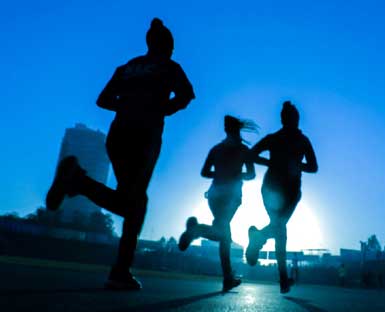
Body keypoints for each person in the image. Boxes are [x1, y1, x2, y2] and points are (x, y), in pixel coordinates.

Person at [45, 18, 195, 290]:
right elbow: (187, 96)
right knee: (135, 204)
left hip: (118, 135)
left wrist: (127, 106)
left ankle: (119, 267)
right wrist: (160, 109)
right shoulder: (169, 67)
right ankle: (80, 184)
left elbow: (102, 100)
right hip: (145, 135)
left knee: (133, 201)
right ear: (168, 46)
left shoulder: (127, 67)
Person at [245, 101, 318, 293]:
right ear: (292, 120)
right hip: (280, 191)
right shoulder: (297, 140)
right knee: (280, 230)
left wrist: (279, 163)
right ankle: (283, 279)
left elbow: (313, 167)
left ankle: (258, 239)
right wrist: (277, 163)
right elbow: (313, 167)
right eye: (293, 119)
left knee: (279, 229)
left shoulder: (281, 139)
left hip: (284, 192)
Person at [178, 115, 257, 291]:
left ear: (226, 130)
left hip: (214, 195)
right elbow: (252, 174)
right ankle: (197, 230)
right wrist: (237, 175)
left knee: (224, 235)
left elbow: (204, 172)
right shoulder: (243, 150)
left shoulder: (216, 149)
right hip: (231, 197)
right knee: (224, 235)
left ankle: (228, 277)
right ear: (238, 130)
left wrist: (220, 174)